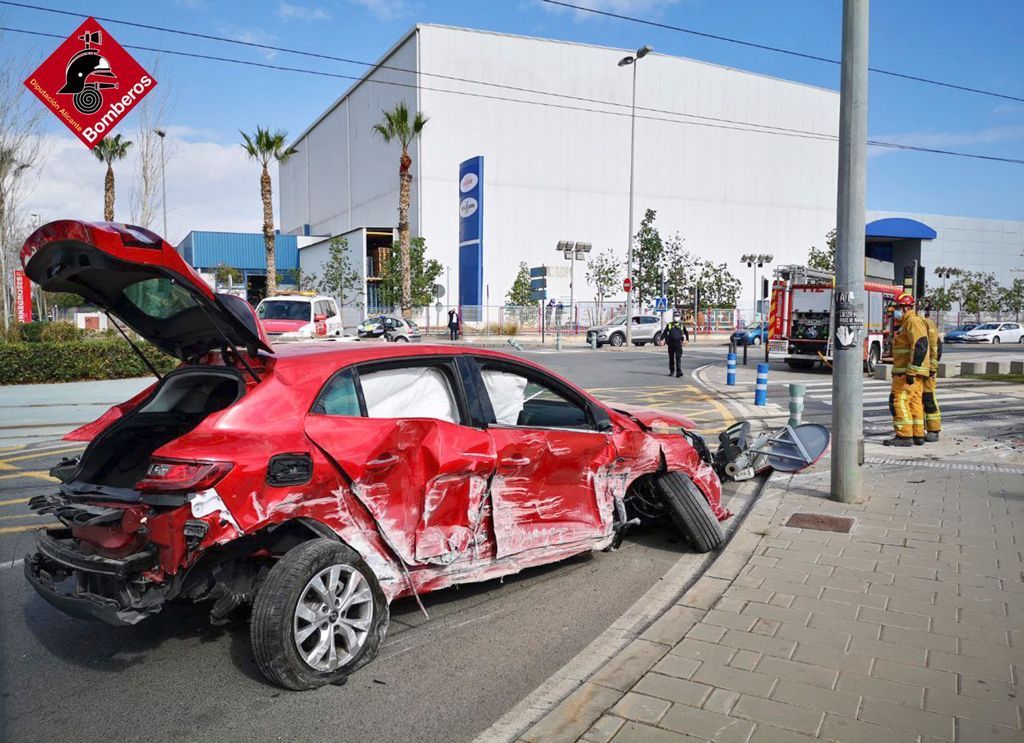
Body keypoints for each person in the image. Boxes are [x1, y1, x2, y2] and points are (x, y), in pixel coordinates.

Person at [885, 292, 930, 447]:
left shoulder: (912, 322)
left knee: (900, 402)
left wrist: (911, 370)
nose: (895, 311)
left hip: (906, 373)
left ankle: (904, 436)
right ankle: (917, 435)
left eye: (897, 307)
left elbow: (921, 344)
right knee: (914, 403)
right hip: (911, 372)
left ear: (905, 307)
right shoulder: (907, 323)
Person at [921, 304, 942, 442]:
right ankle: (919, 428)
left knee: (928, 398)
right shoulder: (910, 324)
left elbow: (936, 348)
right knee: (916, 400)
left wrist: (932, 368)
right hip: (917, 370)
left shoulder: (926, 324)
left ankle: (933, 429)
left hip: (927, 370)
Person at [664, 311, 689, 378]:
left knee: (678, 358)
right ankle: (672, 371)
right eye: (675, 316)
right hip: (671, 344)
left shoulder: (681, 325)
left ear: (679, 317)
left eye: (678, 316)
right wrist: (662, 339)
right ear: (673, 317)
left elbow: (686, 332)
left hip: (678, 344)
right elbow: (665, 332)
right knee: (671, 358)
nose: (676, 317)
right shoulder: (669, 324)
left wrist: (687, 340)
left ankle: (679, 372)